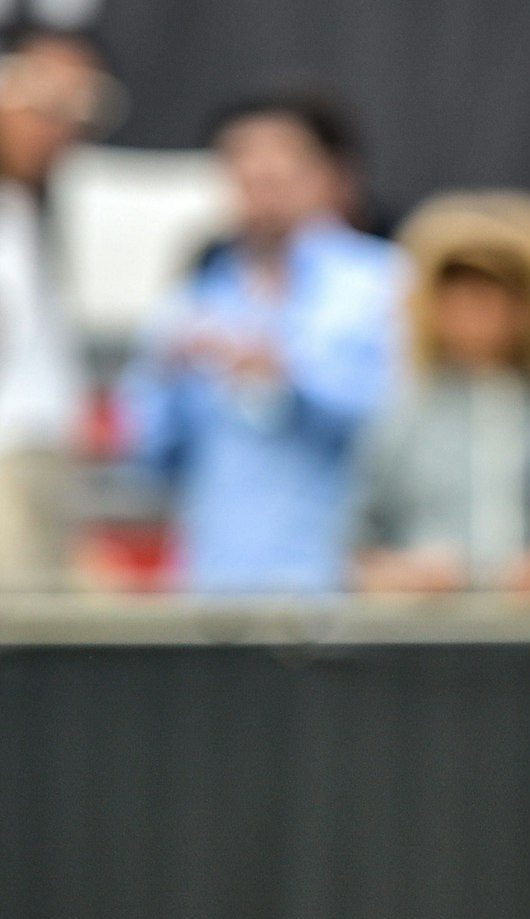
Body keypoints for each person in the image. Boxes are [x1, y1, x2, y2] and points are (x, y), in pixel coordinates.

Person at [118, 92, 401, 594]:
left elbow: (406, 431)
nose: (259, 175)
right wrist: (167, 376)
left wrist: (292, 377)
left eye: (281, 160)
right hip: (215, 580)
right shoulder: (192, 301)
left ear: (332, 176)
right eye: (241, 160)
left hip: (339, 581)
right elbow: (146, 457)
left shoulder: (386, 283)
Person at [354, 192, 530, 594]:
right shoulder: (403, 417)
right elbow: (356, 549)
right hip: (431, 637)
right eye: (459, 295)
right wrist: (406, 574)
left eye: (498, 294)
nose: (477, 311)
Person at [0, 25, 114, 589]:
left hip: (46, 467)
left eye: (77, 112)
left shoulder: (31, 211)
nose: (61, 130)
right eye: (44, 105)